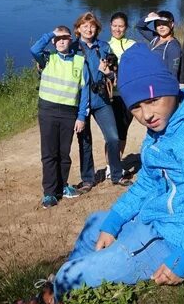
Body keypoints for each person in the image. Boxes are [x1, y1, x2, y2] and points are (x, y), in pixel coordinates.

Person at [50, 44, 184, 301]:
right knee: (97, 223)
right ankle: (66, 289)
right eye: (136, 107)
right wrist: (114, 222)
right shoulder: (161, 127)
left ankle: (59, 291)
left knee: (69, 276)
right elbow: (146, 183)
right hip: (151, 220)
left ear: (171, 89)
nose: (146, 114)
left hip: (172, 237)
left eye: (153, 100)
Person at [29, 25, 87, 208]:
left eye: (65, 38)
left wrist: (81, 117)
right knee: (49, 154)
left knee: (64, 153)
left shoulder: (79, 61)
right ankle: (49, 193)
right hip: (48, 111)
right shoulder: (47, 58)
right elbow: (34, 49)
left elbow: (84, 92)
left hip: (69, 113)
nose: (61, 41)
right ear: (53, 42)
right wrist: (50, 34)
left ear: (70, 41)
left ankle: (62, 187)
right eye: (58, 38)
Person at [71, 12, 128, 191]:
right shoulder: (72, 49)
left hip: (101, 99)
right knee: (85, 141)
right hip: (81, 101)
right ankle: (88, 179)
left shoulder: (102, 47)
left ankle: (116, 175)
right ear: (78, 29)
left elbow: (113, 73)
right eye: (85, 26)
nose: (89, 29)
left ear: (97, 29)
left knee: (113, 137)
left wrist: (108, 73)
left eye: (92, 26)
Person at [108, 12, 136, 154]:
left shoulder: (132, 45)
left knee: (123, 130)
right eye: (115, 26)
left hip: (128, 96)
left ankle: (118, 163)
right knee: (111, 134)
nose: (117, 29)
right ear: (110, 26)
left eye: (121, 26)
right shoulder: (105, 46)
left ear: (126, 27)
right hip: (111, 95)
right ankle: (109, 166)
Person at [136, 10, 182, 77]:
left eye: (164, 24)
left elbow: (173, 74)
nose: (161, 27)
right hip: (150, 78)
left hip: (161, 83)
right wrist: (149, 17)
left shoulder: (173, 47)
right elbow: (139, 27)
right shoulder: (154, 38)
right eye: (158, 24)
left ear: (171, 25)